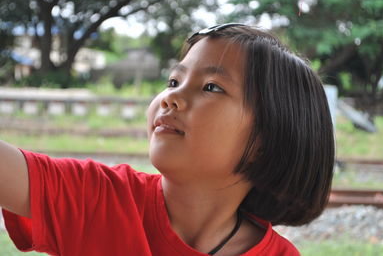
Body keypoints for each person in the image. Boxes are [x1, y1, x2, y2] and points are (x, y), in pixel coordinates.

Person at [0, 23, 335, 255]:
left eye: (211, 87)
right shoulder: (97, 198)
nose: (169, 98)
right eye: (174, 81)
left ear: (265, 140)